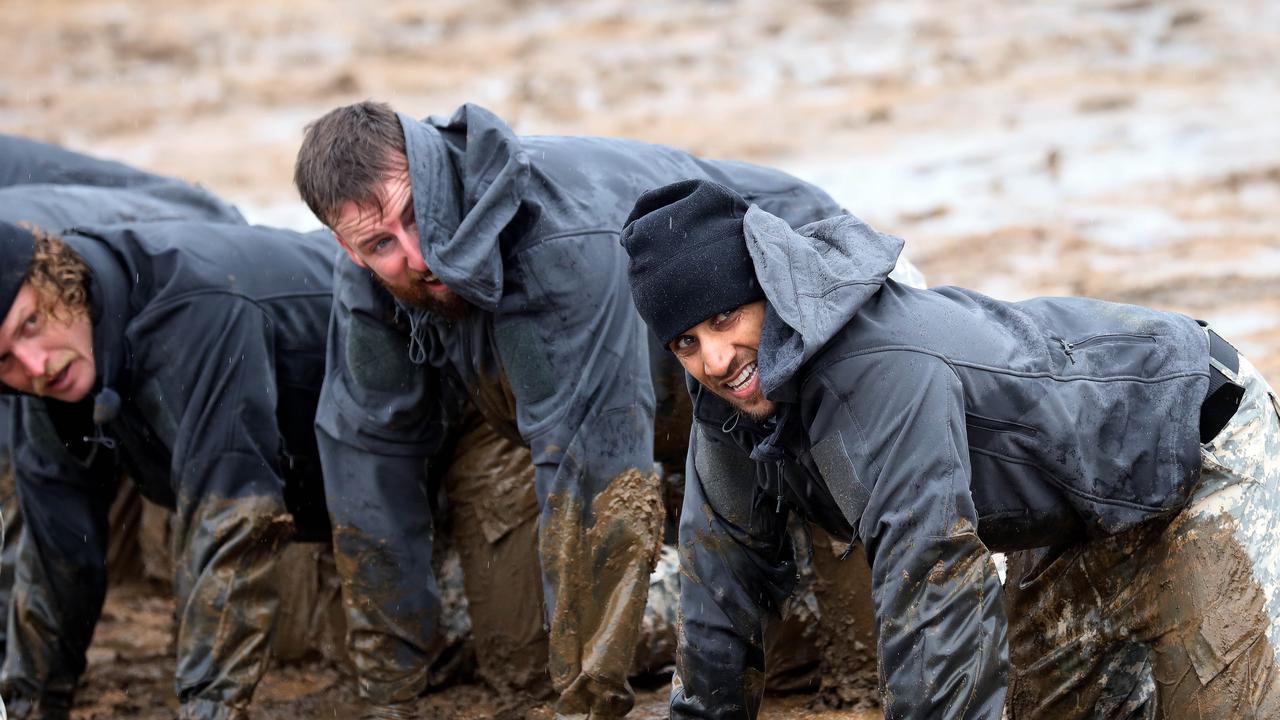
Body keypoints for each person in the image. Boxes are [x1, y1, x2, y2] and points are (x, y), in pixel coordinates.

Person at [292, 101, 924, 719]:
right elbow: (368, 453)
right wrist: (388, 692)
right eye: (380, 243)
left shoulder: (556, 238)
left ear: (432, 178)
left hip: (800, 328)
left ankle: (828, 607)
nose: (417, 255)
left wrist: (586, 706)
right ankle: (744, 590)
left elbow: (599, 484)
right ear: (350, 251)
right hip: (640, 390)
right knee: (515, 661)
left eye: (414, 216)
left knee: (855, 672)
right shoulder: (375, 279)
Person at [619, 179, 1280, 719]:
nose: (714, 359)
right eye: (685, 343)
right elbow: (720, 590)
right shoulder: (731, 410)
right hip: (1064, 521)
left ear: (772, 289)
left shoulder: (880, 372)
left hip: (1193, 447)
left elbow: (932, 591)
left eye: (725, 319)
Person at [0, 217, 335, 720]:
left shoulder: (191, 308)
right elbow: (56, 548)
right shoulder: (55, 359)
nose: (35, 364)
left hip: (431, 416)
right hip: (295, 481)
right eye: (4, 358)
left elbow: (235, 522)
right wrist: (30, 705)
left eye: (31, 323)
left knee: (407, 652)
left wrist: (208, 710)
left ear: (61, 277)